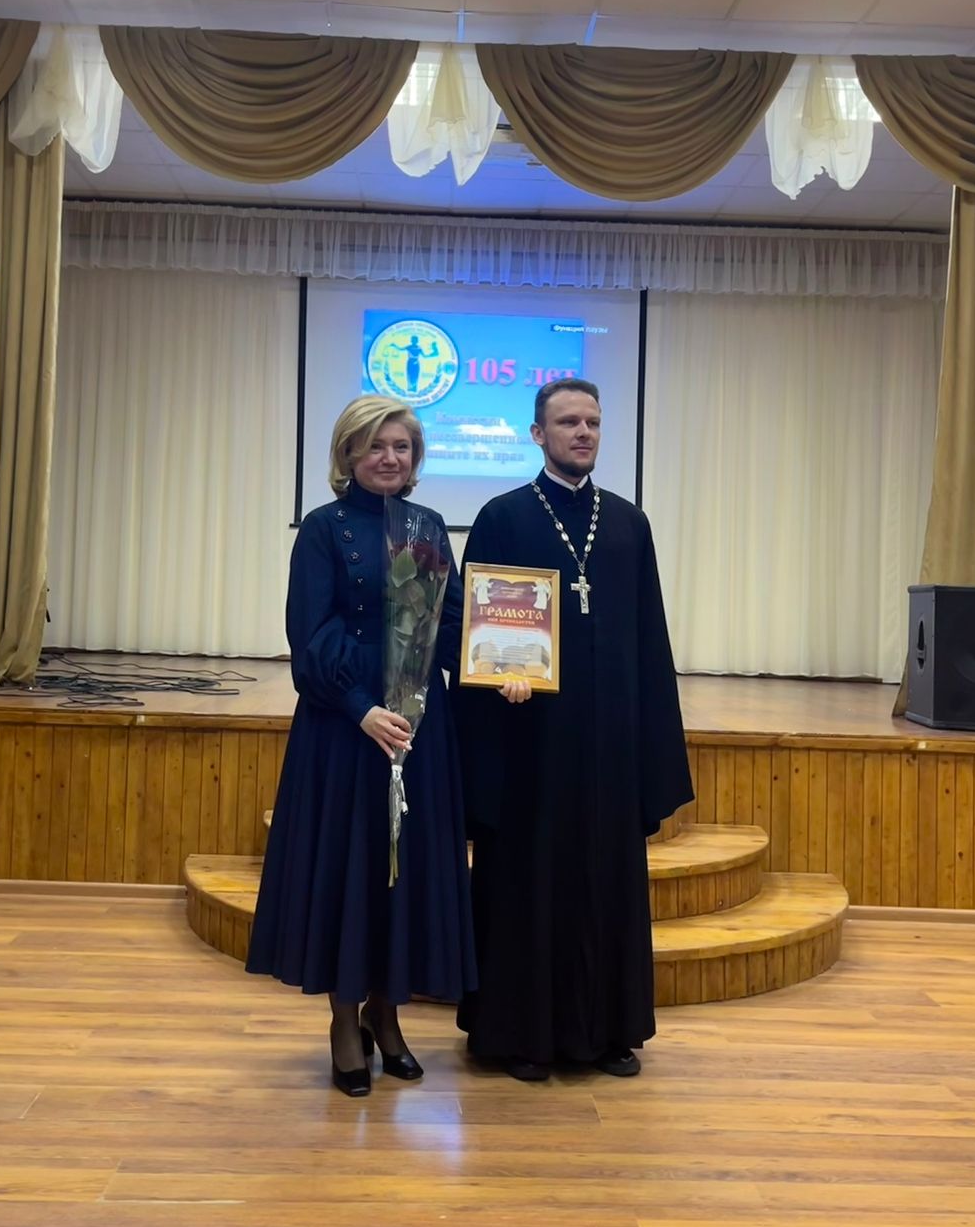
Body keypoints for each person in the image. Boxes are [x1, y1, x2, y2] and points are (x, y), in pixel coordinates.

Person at [452, 378, 693, 1082]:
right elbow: (478, 629)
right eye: (567, 422)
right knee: (529, 881)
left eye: (591, 421)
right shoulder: (503, 517)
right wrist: (499, 676)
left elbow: (650, 638)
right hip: (530, 739)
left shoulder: (627, 523)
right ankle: (521, 1035)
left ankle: (608, 1031)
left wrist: (649, 737)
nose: (582, 432)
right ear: (538, 434)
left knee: (606, 881)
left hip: (610, 740)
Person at [247, 395, 476, 1096]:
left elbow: (455, 623)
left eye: (402, 447)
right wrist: (362, 711)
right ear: (348, 453)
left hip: (419, 726)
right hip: (346, 730)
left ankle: (387, 1013)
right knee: (351, 871)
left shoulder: (428, 525)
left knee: (402, 875)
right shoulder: (323, 529)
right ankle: (344, 1021)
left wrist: (506, 661)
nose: (389, 458)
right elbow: (309, 637)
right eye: (375, 445)